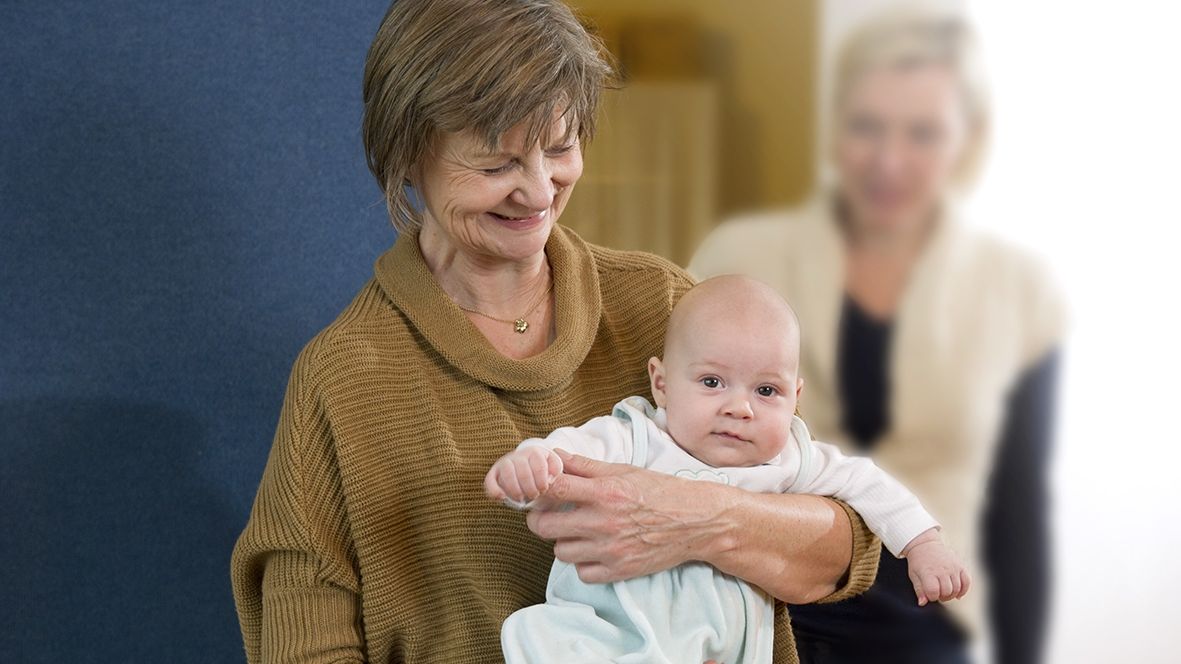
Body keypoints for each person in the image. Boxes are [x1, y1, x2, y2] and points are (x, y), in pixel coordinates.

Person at [229, 1, 881, 663]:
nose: (539, 190)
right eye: (495, 165)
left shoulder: (666, 307)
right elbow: (302, 645)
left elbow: (844, 551)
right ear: (407, 155)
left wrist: (692, 519)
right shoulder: (343, 378)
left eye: (560, 147)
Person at [689, 7, 1066, 664]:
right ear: (835, 129)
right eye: (867, 127)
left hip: (924, 627)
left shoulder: (1018, 289)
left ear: (966, 139)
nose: (888, 160)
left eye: (922, 133)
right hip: (745, 619)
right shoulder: (737, 257)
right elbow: (662, 424)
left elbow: (1019, 511)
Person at [486, 275, 969, 663]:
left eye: (766, 391)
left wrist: (923, 544)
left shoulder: (788, 460)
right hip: (610, 638)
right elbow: (565, 457)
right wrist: (530, 465)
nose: (740, 408)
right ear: (662, 384)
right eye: (713, 382)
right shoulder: (637, 436)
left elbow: (867, 485)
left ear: (795, 398)